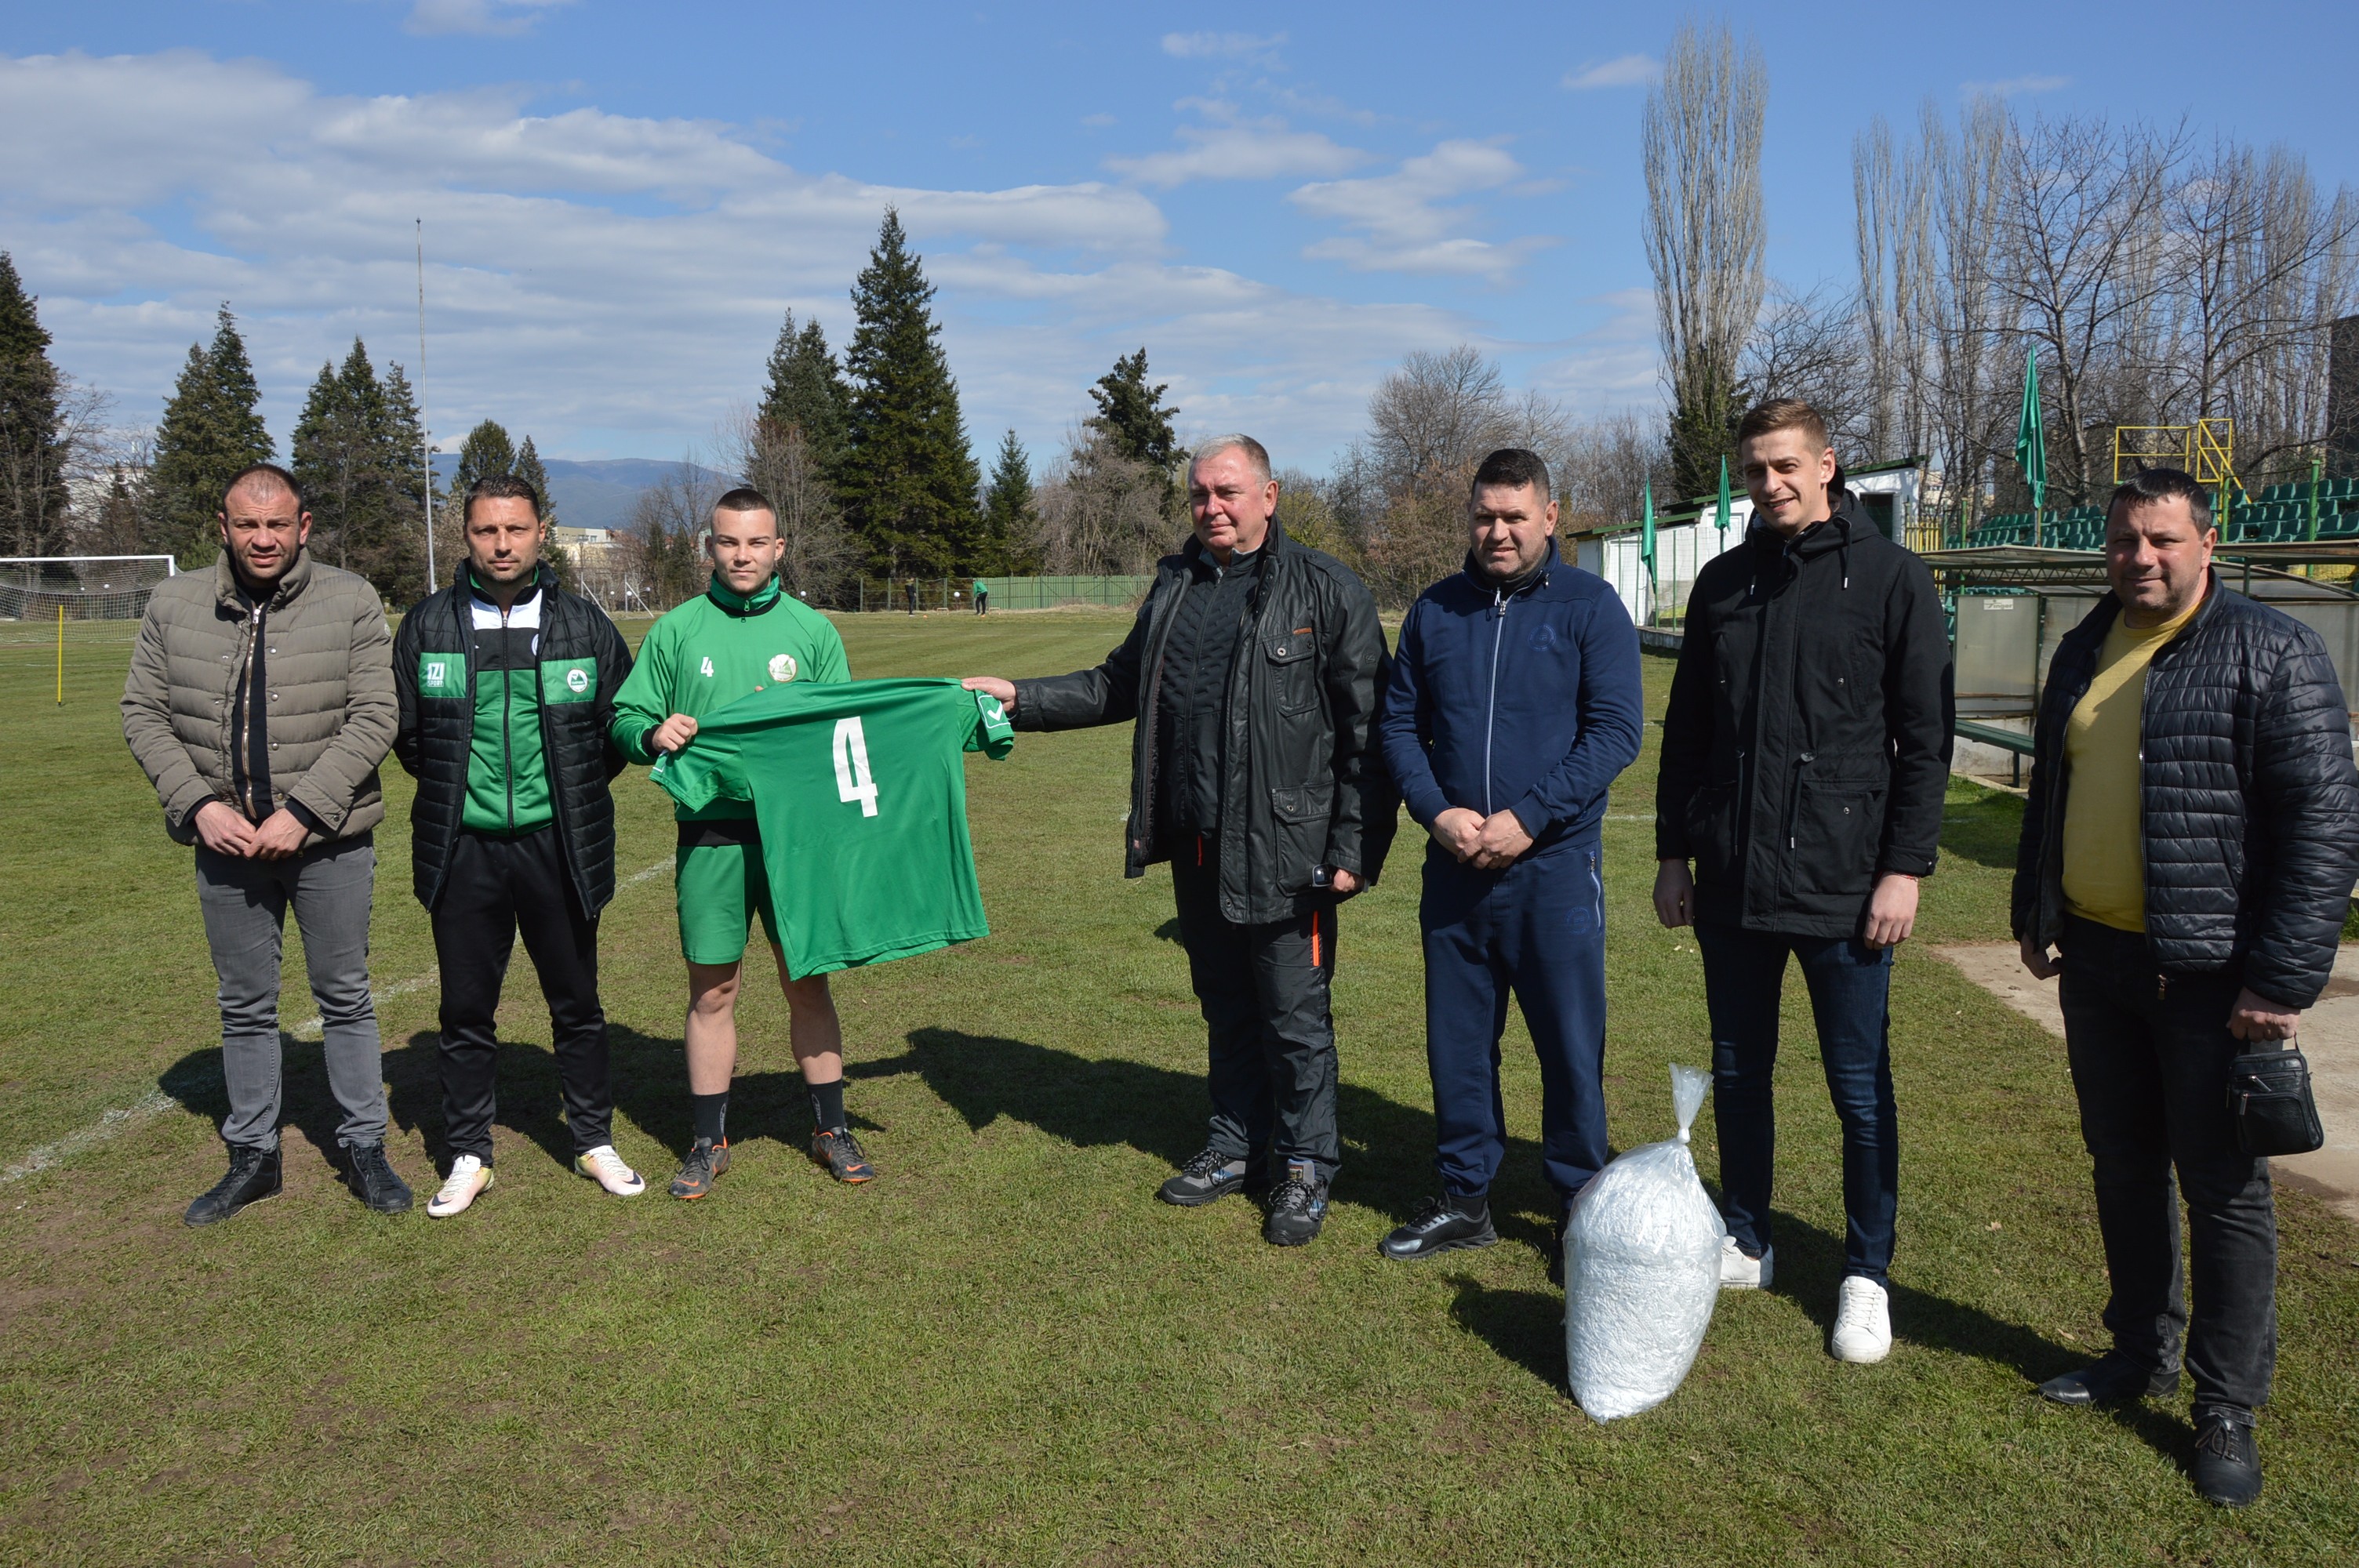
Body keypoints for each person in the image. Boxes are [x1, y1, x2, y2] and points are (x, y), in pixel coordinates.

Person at [2014, 466, 2359, 1508]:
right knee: (2122, 1165)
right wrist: (2039, 910)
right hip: (2101, 963)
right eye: (2124, 542)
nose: (2141, 559)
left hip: (2215, 982)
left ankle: (2225, 1409)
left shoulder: (2274, 650)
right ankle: (2138, 1352)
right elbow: (2055, 793)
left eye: (2162, 541)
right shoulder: (2085, 645)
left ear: (2208, 543)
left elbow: (2326, 826)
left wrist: (2280, 980)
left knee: (2224, 1193)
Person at [962, 435, 1391, 1247]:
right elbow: (1116, 683)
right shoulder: (1175, 584)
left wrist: (1354, 846)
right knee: (1225, 1005)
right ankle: (1234, 1147)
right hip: (1194, 839)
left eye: (1227, 491)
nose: (1211, 507)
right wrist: (1019, 696)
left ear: (1270, 494)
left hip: (1284, 847)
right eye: (1198, 494)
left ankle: (1303, 1166)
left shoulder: (1324, 589)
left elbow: (1370, 731)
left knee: (1293, 1017)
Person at [1652, 398, 1951, 1365]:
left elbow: (1924, 743)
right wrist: (1671, 851)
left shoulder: (1895, 579)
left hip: (1845, 885)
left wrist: (1902, 868)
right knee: (1740, 1073)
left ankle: (1865, 1273)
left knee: (1856, 1091)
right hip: (1734, 882)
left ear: (1827, 464)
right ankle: (1747, 1237)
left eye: (1785, 465)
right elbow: (1688, 732)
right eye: (1754, 470)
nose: (1769, 484)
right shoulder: (1722, 585)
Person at [1374, 448, 1643, 1276]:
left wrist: (1529, 817)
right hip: (1455, 869)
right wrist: (1436, 809)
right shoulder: (1435, 610)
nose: (1497, 531)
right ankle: (1464, 1196)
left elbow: (1614, 733)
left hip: (1552, 870)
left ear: (1549, 517)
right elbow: (1395, 728)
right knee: (1457, 1043)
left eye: (1514, 517)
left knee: (1567, 1046)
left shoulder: (1589, 606)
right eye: (1484, 516)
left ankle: (1575, 1207)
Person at [122, 463, 411, 1224]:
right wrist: (197, 806)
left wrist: (306, 811)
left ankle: (365, 1146)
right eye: (247, 524)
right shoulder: (172, 602)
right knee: (244, 1005)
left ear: (303, 526)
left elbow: (376, 716)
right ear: (222, 527)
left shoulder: (349, 599)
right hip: (225, 844)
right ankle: (254, 1155)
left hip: (329, 842)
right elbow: (142, 713)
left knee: (344, 995)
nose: (262, 538)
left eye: (276, 523)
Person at [393, 473, 644, 1218]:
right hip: (463, 850)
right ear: (464, 535)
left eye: (516, 530)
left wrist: (557, 800)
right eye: (485, 531)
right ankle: (470, 1152)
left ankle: (592, 1138)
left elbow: (615, 731)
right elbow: (410, 736)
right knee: (466, 1010)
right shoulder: (428, 624)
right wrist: (465, 801)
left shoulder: (585, 625)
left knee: (578, 1005)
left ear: (541, 532)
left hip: (557, 847)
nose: (501, 545)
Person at [610, 488, 867, 1200]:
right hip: (711, 836)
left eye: (757, 543)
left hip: (796, 842)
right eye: (729, 542)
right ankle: (706, 1140)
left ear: (779, 548)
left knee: (807, 982)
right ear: (709, 547)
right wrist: (651, 734)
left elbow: (842, 733)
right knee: (713, 990)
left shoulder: (813, 631)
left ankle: (830, 1129)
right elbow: (626, 716)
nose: (743, 555)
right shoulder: (677, 630)